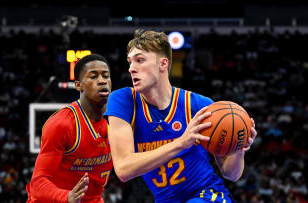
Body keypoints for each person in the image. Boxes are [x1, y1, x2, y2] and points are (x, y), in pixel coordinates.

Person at [104, 29, 257, 203]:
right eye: (130, 62)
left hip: (208, 196)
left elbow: (231, 174)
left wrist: (238, 149)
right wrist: (181, 143)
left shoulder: (199, 106)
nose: (131, 68)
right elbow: (124, 169)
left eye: (140, 60)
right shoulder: (123, 100)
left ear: (163, 64)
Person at [26, 54, 113, 203]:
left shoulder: (118, 120)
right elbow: (37, 184)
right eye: (93, 77)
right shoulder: (62, 124)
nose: (102, 80)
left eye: (106, 76)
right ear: (78, 85)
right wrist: (66, 197)